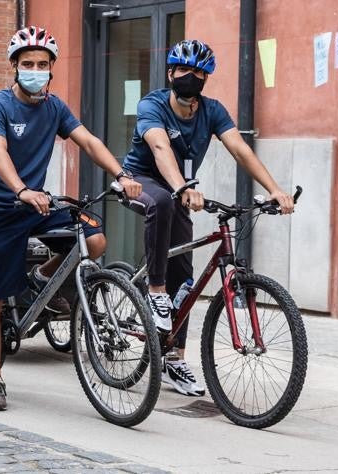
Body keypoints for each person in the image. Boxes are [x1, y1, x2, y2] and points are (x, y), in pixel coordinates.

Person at [0, 26, 142, 411]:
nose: (36, 70)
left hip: (38, 205)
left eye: (43, 64)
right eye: (28, 64)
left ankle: (42, 277)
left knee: (93, 239)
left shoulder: (54, 107)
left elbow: (89, 141)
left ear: (51, 69)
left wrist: (122, 175)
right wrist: (21, 190)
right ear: (15, 67)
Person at [121, 38, 294, 397]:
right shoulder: (152, 104)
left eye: (199, 73)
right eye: (184, 70)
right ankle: (155, 292)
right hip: (140, 181)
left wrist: (275, 189)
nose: (191, 77)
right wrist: (182, 187)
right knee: (162, 203)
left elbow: (240, 149)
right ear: (171, 73)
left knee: (184, 277)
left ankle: (174, 359)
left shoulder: (212, 111)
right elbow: (160, 147)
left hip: (181, 189)